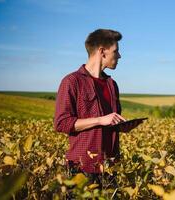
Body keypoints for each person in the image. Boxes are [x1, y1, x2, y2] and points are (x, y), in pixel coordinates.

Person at [54, 29, 140, 189]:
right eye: (116, 51)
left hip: (110, 167)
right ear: (102, 51)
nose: (119, 56)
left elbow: (109, 123)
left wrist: (121, 126)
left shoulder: (112, 85)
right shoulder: (72, 81)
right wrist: (101, 119)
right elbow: (61, 123)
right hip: (82, 167)